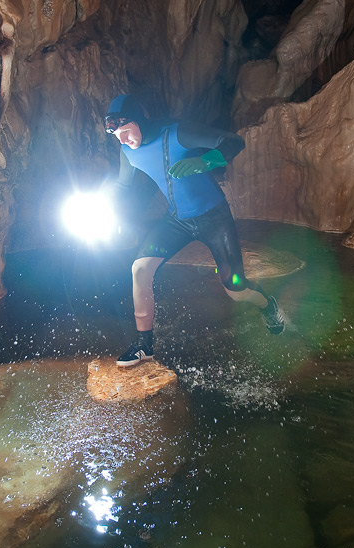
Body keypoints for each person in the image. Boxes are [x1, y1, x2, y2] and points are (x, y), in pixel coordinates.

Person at [104, 94, 286, 367]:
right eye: (117, 135)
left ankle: (267, 305)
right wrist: (112, 210)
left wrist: (207, 161)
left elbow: (234, 141)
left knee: (236, 290)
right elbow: (121, 186)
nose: (123, 139)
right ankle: (144, 345)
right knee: (139, 269)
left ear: (138, 121)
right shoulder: (127, 151)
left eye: (126, 131)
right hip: (177, 220)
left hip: (214, 218)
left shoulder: (178, 132)